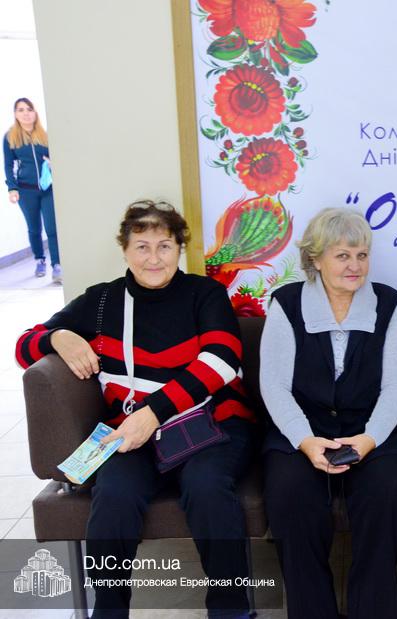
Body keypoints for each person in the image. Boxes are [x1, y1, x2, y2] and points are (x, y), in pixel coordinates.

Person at [14, 200, 257, 618]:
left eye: (165, 246)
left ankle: (230, 609)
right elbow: (24, 345)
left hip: (211, 424)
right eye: (142, 246)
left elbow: (222, 360)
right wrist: (57, 338)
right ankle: (108, 611)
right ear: (125, 250)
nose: (153, 258)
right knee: (114, 495)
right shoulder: (102, 301)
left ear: (179, 248)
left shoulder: (206, 294)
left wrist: (153, 412)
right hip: (129, 434)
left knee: (206, 487)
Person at [260, 207, 397, 619]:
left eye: (361, 255)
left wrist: (369, 439)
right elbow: (274, 385)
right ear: (316, 259)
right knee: (290, 496)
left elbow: (396, 386)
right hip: (301, 432)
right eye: (342, 255)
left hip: (371, 431)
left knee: (386, 494)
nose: (354, 266)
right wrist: (305, 440)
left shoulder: (389, 304)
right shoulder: (286, 303)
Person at [4, 97, 61, 282]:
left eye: (29, 109)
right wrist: (12, 188)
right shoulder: (10, 138)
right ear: (15, 114)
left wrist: (53, 163)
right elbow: (8, 165)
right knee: (34, 229)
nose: (26, 113)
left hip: (48, 190)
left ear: (35, 113)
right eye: (21, 110)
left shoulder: (45, 135)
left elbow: (57, 158)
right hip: (25, 191)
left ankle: (57, 265)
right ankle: (40, 260)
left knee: (52, 228)